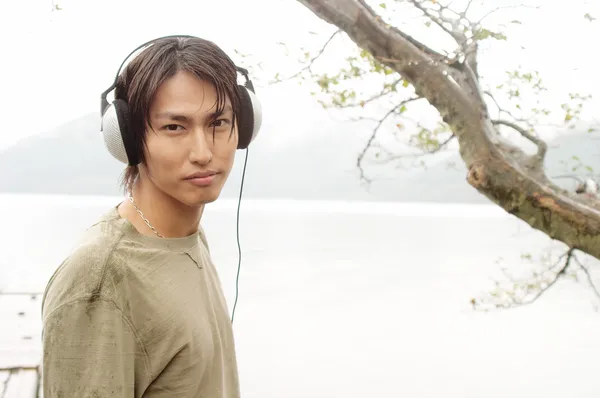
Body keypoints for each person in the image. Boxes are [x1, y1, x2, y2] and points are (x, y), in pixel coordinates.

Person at [40, 35, 262, 397]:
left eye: (218, 123)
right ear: (127, 137)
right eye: (175, 127)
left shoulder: (186, 237)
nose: (203, 152)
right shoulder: (100, 275)